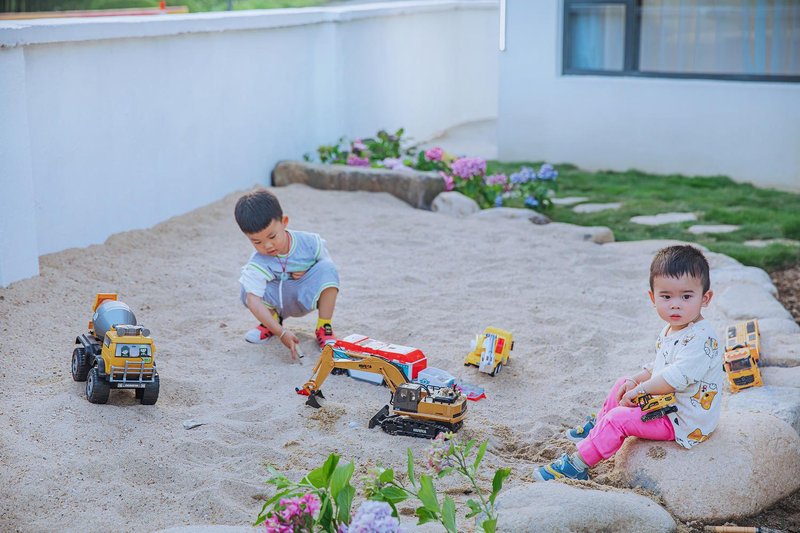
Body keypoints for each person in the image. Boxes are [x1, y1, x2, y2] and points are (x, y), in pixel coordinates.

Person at [534, 245, 723, 481]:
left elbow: (673, 378)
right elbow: (660, 366)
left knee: (619, 419)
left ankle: (577, 466)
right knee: (622, 383)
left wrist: (640, 391)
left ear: (705, 298)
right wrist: (635, 381)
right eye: (666, 296)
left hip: (682, 420)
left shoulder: (701, 339)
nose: (675, 304)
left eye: (686, 296)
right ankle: (598, 429)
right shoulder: (673, 328)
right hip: (668, 403)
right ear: (653, 297)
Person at [234, 188, 340, 361]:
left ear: (284, 222)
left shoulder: (310, 243)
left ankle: (324, 326)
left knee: (328, 268)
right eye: (257, 242)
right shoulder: (258, 262)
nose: (267, 246)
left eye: (272, 236)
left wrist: (308, 270)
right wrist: (281, 332)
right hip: (275, 301)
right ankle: (271, 322)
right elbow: (253, 301)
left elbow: (326, 270)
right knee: (248, 286)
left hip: (303, 297)